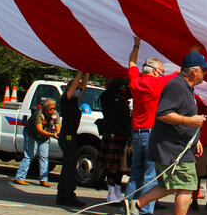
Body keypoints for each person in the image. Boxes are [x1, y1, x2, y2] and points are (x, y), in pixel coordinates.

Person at [123, 51, 207, 215]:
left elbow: (184, 117)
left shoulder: (184, 87)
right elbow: (163, 114)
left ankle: (136, 206)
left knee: (168, 184)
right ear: (194, 72)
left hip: (172, 144)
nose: (206, 73)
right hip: (172, 147)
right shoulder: (177, 86)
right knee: (187, 185)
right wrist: (191, 122)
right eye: (204, 70)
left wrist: (196, 138)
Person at [124, 38, 179, 215]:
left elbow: (131, 63)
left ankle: (127, 209)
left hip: (136, 134)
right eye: (162, 71)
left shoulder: (135, 81)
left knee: (135, 174)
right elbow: (181, 73)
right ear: (155, 71)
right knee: (150, 175)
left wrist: (136, 45)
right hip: (151, 134)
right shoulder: (156, 84)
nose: (163, 74)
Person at [95, 78, 131, 207]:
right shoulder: (108, 95)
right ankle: (111, 193)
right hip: (112, 132)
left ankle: (117, 191)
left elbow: (131, 92)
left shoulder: (119, 95)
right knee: (112, 167)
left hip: (121, 133)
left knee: (120, 165)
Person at [56, 71, 88, 207]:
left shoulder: (74, 100)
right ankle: (69, 195)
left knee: (67, 168)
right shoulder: (66, 99)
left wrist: (87, 72)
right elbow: (76, 83)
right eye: (76, 88)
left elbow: (83, 86)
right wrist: (80, 71)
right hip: (67, 137)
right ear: (70, 88)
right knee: (69, 168)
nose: (78, 89)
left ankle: (61, 196)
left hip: (71, 136)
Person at [14, 97, 58, 186]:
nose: (53, 110)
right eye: (51, 109)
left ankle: (44, 180)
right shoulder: (38, 113)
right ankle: (19, 177)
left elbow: (57, 125)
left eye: (54, 108)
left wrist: (57, 133)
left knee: (44, 157)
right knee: (29, 155)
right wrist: (52, 135)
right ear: (45, 108)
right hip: (31, 135)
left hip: (44, 137)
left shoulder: (55, 114)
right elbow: (39, 129)